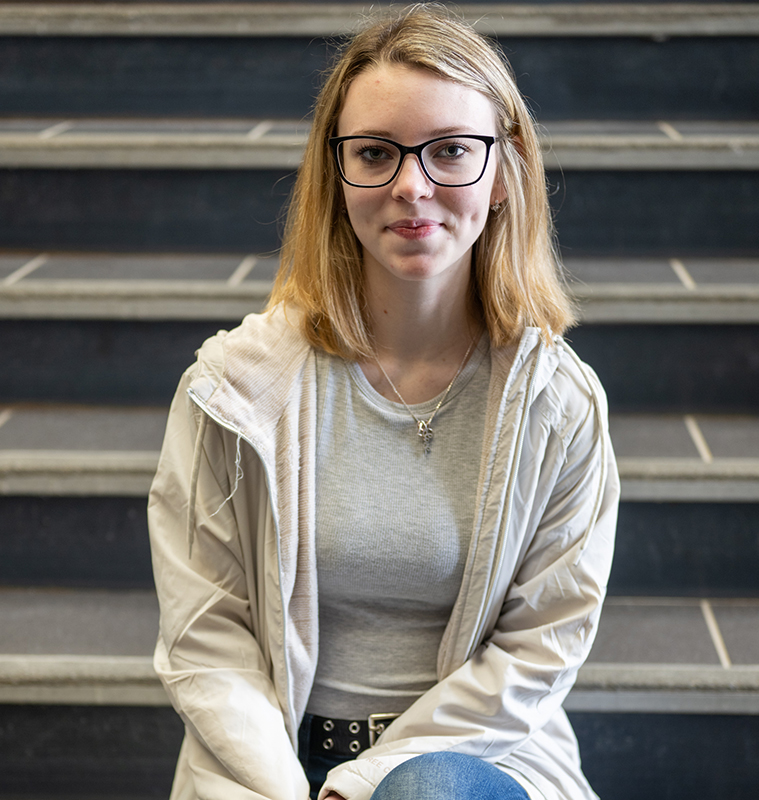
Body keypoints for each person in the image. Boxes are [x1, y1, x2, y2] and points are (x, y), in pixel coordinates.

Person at [148, 5, 619, 800]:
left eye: (450, 151)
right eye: (374, 152)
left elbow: (540, 648)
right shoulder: (232, 389)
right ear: (337, 175)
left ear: (504, 172)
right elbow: (206, 638)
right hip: (268, 766)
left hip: (479, 760)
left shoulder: (559, 405)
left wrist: (362, 781)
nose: (411, 185)